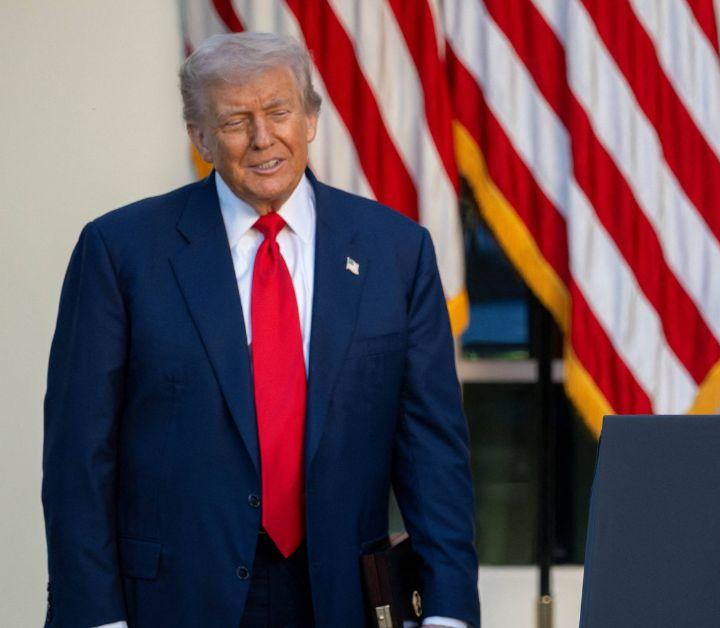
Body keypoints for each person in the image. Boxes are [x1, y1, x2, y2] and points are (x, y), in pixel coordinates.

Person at [42, 33, 478, 627]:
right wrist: (94, 617)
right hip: (172, 602)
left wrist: (449, 612)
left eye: (279, 112)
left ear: (312, 118)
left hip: (343, 599)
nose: (263, 138)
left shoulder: (396, 252)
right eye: (235, 120)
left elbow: (434, 454)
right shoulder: (120, 252)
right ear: (200, 137)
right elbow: (78, 458)